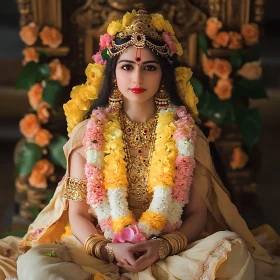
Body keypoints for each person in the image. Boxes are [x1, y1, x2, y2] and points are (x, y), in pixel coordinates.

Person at [0, 9, 279, 280]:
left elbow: (196, 214)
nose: (137, 78)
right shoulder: (88, 134)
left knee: (234, 251)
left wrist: (162, 246)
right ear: (113, 72)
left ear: (163, 74)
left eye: (149, 67)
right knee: (38, 262)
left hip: (169, 250)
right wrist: (108, 249)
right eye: (127, 66)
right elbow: (78, 214)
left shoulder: (186, 134)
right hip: (97, 250)